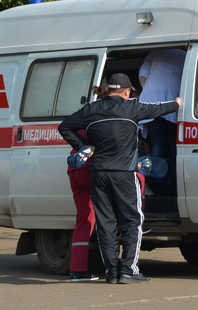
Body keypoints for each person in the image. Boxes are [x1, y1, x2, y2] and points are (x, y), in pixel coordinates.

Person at [58, 73, 181, 284]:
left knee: (105, 223)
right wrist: (177, 103)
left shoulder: (91, 109)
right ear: (126, 92)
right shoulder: (132, 107)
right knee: (132, 221)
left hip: (99, 174)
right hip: (125, 173)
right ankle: (128, 270)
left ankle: (112, 272)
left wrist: (84, 147)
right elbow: (159, 109)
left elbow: (64, 126)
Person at [65, 85, 109, 282]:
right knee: (111, 214)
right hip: (92, 169)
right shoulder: (106, 114)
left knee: (84, 221)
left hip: (75, 168)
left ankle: (78, 270)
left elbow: (68, 129)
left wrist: (82, 148)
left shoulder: (88, 111)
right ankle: (113, 266)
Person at [138, 49, 185, 195]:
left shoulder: (155, 53)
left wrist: (147, 89)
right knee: (172, 144)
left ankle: (159, 181)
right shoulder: (185, 53)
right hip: (173, 98)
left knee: (157, 143)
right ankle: (175, 181)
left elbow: (143, 74)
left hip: (151, 99)